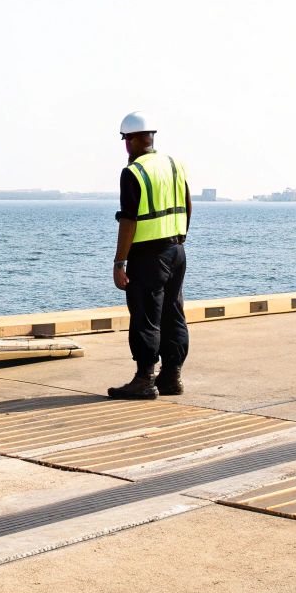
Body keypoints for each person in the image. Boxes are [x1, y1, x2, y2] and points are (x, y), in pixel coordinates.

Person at [108, 111, 191, 400]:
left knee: (145, 317)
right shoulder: (174, 165)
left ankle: (145, 379)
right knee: (173, 313)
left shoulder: (133, 172)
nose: (126, 146)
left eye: (126, 140)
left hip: (148, 255)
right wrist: (181, 237)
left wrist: (120, 262)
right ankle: (172, 377)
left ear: (132, 139)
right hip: (176, 250)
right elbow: (188, 203)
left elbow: (128, 220)